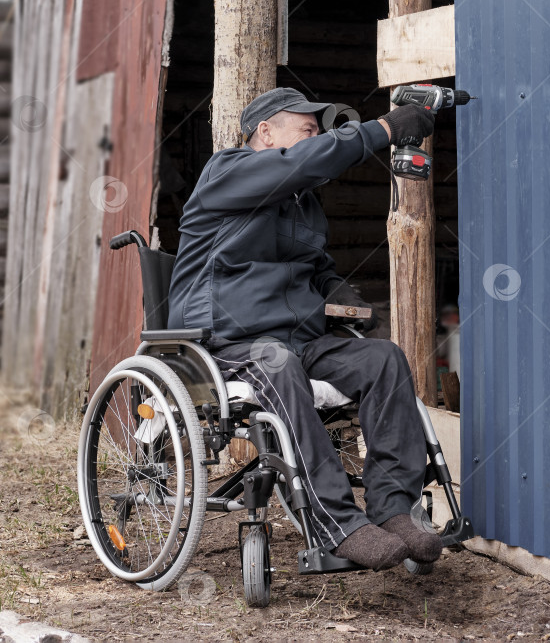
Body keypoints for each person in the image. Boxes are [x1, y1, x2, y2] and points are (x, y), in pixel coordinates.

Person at [168, 87, 441, 571]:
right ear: (265, 132)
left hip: (296, 339)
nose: (317, 138)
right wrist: (384, 129)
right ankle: (339, 525)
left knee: (384, 359)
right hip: (224, 341)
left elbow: (316, 266)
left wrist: (340, 292)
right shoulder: (227, 171)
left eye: (318, 133)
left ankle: (395, 510)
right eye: (307, 130)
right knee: (278, 362)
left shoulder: (301, 203)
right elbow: (303, 162)